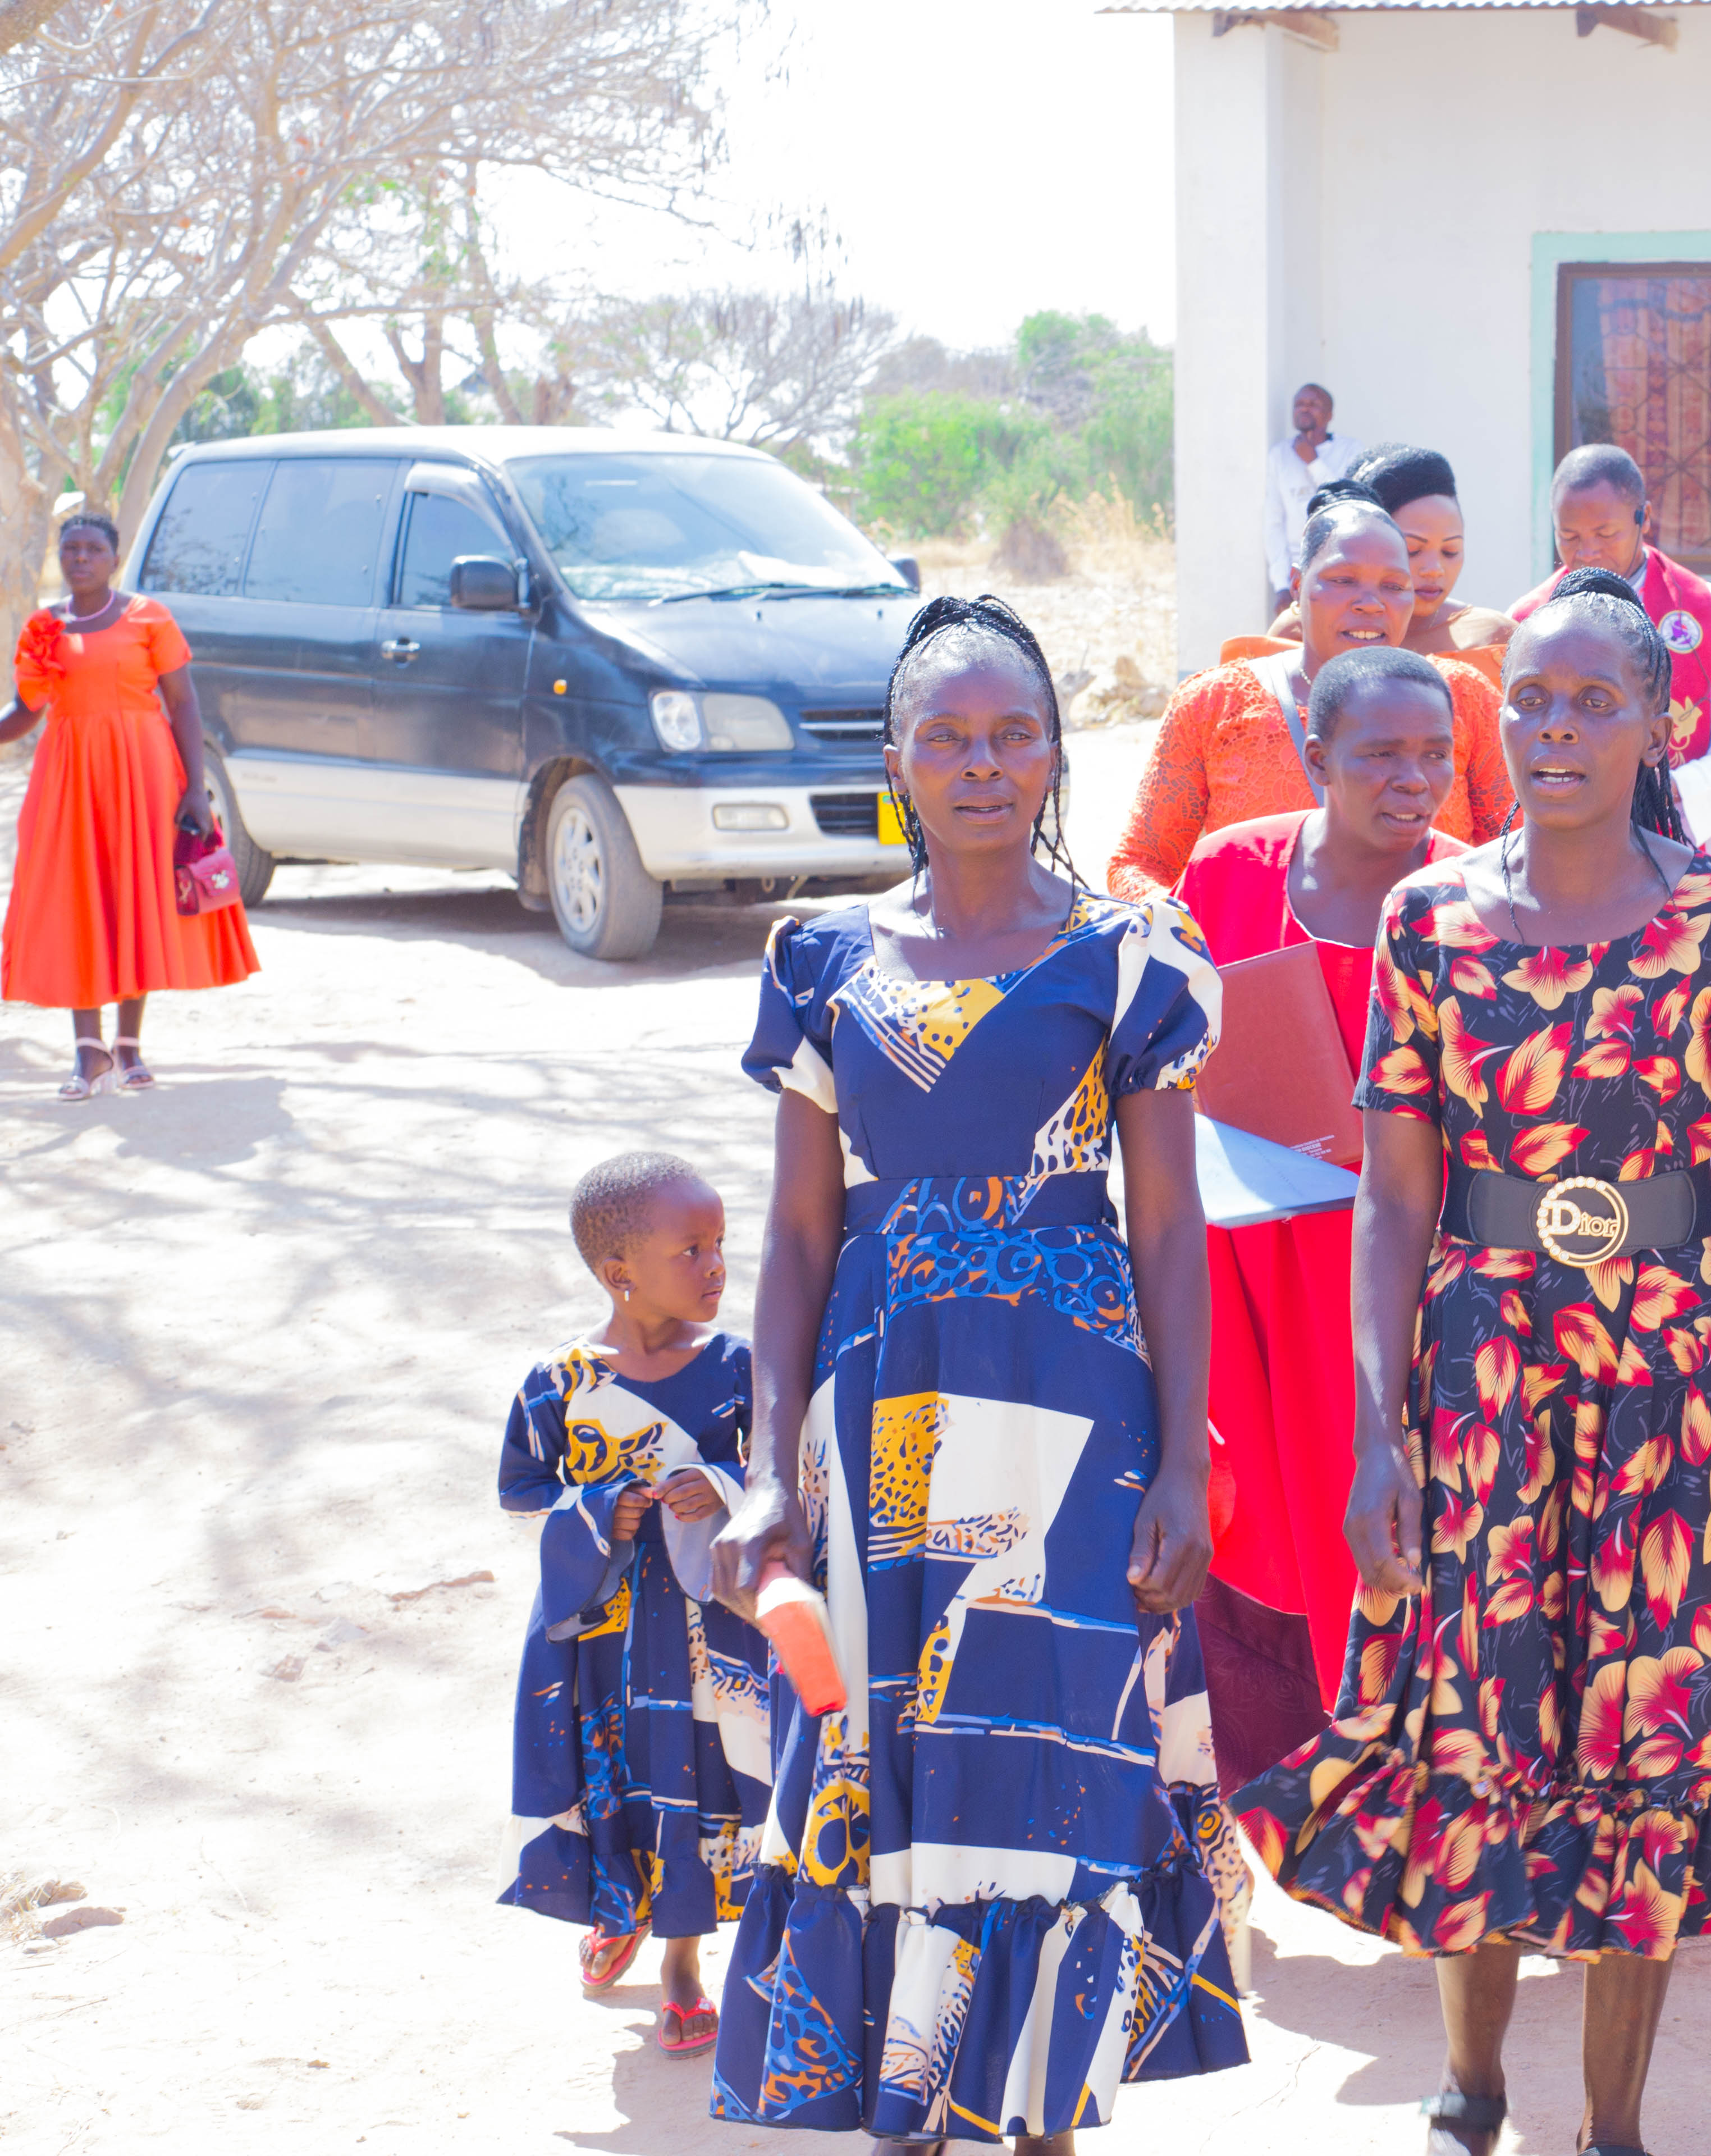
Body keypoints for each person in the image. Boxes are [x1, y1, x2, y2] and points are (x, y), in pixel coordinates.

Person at [1229, 571, 1711, 2156]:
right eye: (1532, 702)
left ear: (1657, 724)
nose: (1555, 729)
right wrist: (1375, 1433)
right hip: (1481, 1374)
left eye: (1591, 703)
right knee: (1473, 1716)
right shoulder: (1431, 916)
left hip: (1677, 1379)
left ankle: (1613, 2123)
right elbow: (1395, 1195)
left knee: (1657, 1734)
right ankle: (1471, 2086)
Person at [711, 596, 1247, 2148]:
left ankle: (1043, 2113)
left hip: (1074, 1422)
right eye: (944, 737)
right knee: (884, 1748)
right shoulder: (821, 958)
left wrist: (1184, 1458)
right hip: (878, 1407)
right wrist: (765, 1470)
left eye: (1014, 733)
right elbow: (798, 1234)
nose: (981, 763)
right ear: (896, 762)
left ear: (1056, 754)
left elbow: (1168, 1228)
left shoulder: (1128, 959)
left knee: (1053, 1746)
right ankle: (910, 2101)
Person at [1169, 645, 1468, 1790]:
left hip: (1406, 1267)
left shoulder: (1471, 897)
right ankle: (1278, 1789)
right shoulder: (1228, 873)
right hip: (1251, 1256)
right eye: (1381, 753)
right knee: (1255, 1526)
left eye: (1435, 754)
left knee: (1400, 1519)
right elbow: (1167, 1059)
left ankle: (1411, 1784)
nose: (1413, 778)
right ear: (1314, 755)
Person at [498, 1150, 768, 2061]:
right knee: (617, 1778)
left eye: (720, 1243)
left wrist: (722, 1484)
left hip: (708, 1632)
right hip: (601, 1633)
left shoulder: (738, 1366)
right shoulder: (558, 1384)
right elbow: (522, 1491)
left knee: (696, 1782)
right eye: (692, 1250)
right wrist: (596, 1508)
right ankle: (621, 1909)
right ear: (620, 1273)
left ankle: (684, 1966)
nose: (717, 1266)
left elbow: (783, 1473)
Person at [1114, 492, 1513, 900]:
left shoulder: (1464, 698)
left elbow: (1517, 856)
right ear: (1297, 584)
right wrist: (1187, 928)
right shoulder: (1213, 704)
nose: (1371, 604)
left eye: (1394, 586)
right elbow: (1139, 863)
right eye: (1344, 580)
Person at [0, 509, 257, 1098]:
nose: (81, 558)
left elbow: (184, 703)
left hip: (145, 776)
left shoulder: (149, 617)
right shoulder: (44, 628)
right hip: (70, 781)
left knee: (134, 896)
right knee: (79, 898)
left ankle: (129, 1045)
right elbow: (25, 712)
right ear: (60, 558)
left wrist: (196, 788)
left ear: (114, 559)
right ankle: (88, 1052)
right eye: (71, 549)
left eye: (93, 549)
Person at [1509, 444, 1711, 870]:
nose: (1587, 552)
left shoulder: (1707, 611)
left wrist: (1667, 792)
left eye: (1605, 534)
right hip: (1562, 846)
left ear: (1645, 518)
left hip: (1686, 838)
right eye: (1569, 537)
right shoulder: (1527, 621)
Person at [1257, 445, 1516, 679]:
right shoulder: (1298, 631)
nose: (1434, 569)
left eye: (1450, 551)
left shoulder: (1493, 638)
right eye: (1412, 550)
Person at [1264, 381, 1364, 612]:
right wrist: (1281, 585)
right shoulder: (1280, 455)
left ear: (1329, 415)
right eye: (1299, 404)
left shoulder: (1351, 450)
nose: (1304, 408)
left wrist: (1313, 462)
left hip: (1340, 561)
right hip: (1295, 571)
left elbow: (1347, 502)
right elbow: (1274, 522)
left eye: (1313, 404)